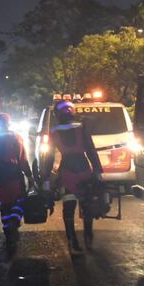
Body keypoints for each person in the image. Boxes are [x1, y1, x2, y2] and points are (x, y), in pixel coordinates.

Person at [43, 100, 103, 253]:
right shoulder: (81, 128)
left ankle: (72, 242)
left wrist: (45, 179)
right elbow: (91, 150)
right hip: (84, 170)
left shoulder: (54, 132)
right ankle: (88, 236)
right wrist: (97, 170)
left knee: (68, 209)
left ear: (57, 114)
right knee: (87, 205)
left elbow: (49, 158)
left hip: (67, 173)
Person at [0, 113, 34, 256]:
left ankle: (8, 232)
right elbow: (22, 158)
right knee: (19, 199)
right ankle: (14, 222)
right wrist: (29, 175)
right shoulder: (15, 136)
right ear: (8, 123)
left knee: (3, 203)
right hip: (13, 172)